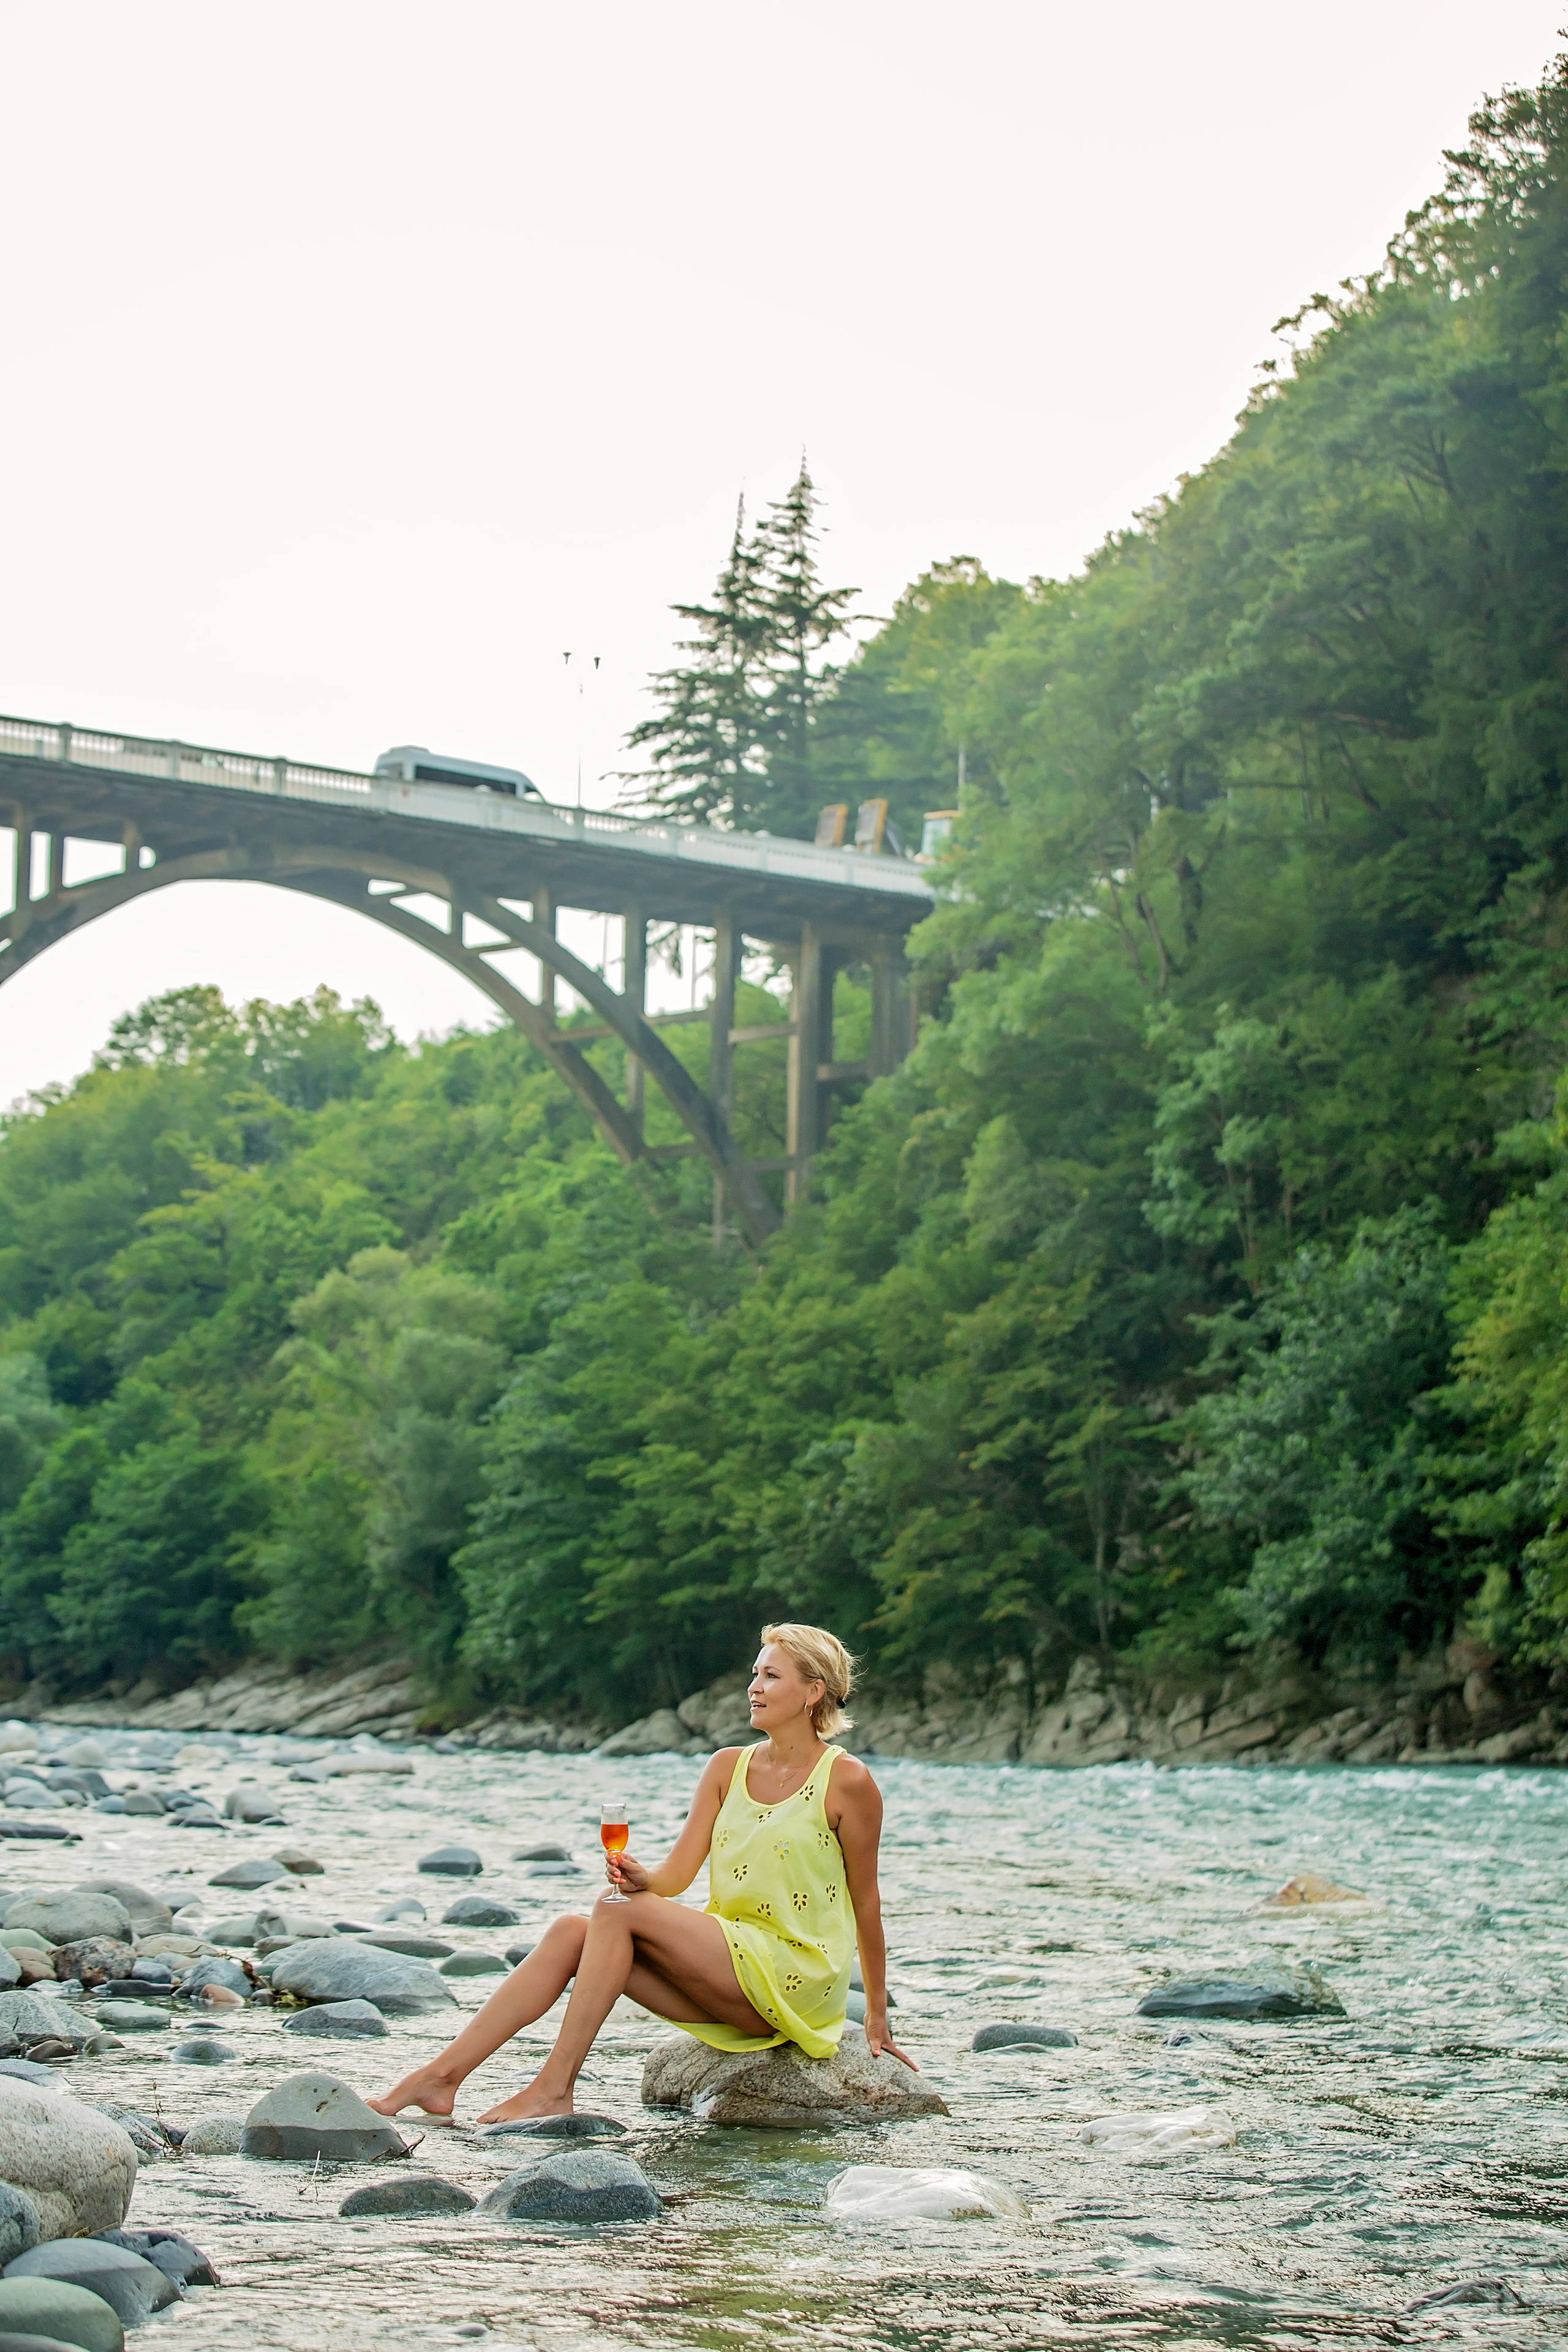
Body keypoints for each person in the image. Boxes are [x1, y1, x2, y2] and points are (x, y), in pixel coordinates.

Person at [369, 1621, 913, 2122]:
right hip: (731, 1967)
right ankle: (441, 2078)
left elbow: (866, 1901)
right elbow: (677, 1875)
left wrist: (874, 2015)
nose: (754, 1686)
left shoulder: (848, 1781)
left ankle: (554, 2087)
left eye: (771, 1676)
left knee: (612, 1912)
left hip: (794, 1974)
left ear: (813, 1691)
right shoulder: (728, 1767)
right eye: (755, 1673)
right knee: (571, 1933)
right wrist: (642, 1879)